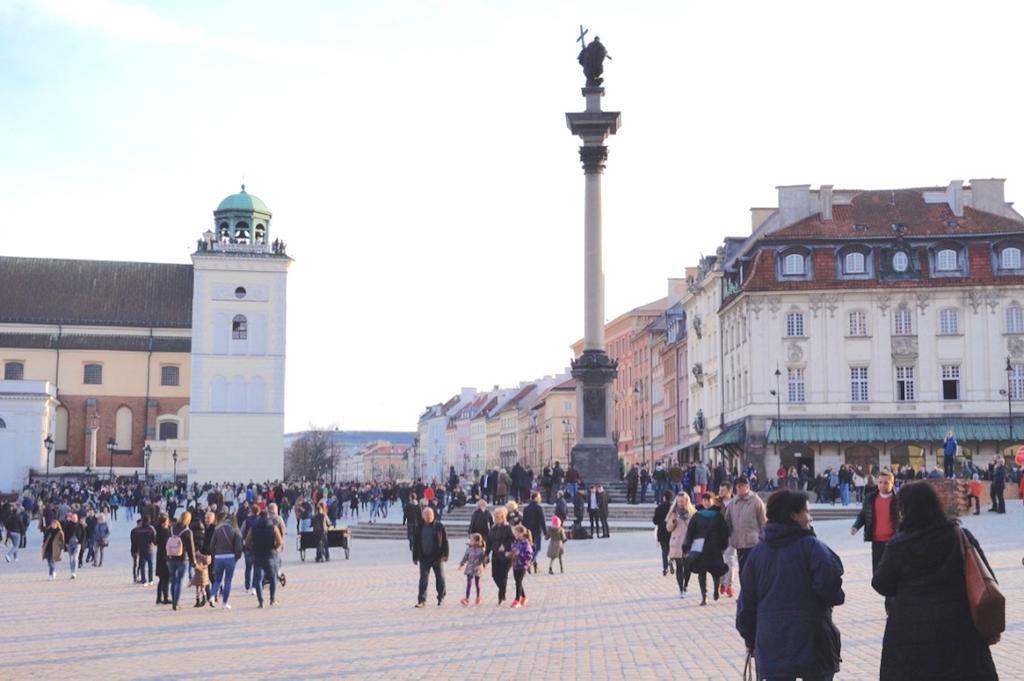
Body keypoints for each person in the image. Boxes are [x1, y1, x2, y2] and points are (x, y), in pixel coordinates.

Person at [872, 481, 998, 680]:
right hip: (960, 630)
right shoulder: (959, 536)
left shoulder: (899, 545)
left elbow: (881, 583)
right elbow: (987, 576)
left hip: (911, 633)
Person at [736, 489, 845, 681]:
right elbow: (831, 585)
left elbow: (746, 604)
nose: (809, 517)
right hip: (813, 638)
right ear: (794, 515)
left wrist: (750, 638)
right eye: (806, 512)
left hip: (771, 640)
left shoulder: (757, 554)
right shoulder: (812, 547)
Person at [850, 468, 901, 614]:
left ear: (892, 483)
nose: (883, 485)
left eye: (886, 483)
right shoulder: (870, 498)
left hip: (894, 543)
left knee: (892, 573)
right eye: (880, 482)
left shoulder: (898, 499)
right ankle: (890, 601)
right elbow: (863, 514)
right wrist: (856, 527)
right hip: (877, 543)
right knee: (879, 575)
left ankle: (892, 607)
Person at [682, 491, 729, 606]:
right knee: (701, 573)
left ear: (713, 501)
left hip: (714, 548)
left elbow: (724, 532)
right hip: (700, 549)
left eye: (708, 500)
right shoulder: (697, 516)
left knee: (716, 572)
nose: (706, 502)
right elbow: (690, 532)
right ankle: (704, 596)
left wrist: (723, 545)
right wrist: (687, 546)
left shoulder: (718, 516)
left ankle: (716, 590)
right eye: (704, 500)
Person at [724, 475, 767, 580]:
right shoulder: (733, 503)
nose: (739, 489)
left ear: (747, 487)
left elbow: (763, 521)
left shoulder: (756, 501)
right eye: (738, 487)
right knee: (743, 570)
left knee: (753, 570)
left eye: (742, 486)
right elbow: (727, 521)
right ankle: (745, 593)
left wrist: (764, 539)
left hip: (753, 542)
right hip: (739, 542)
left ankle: (754, 593)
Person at [412, 507, 449, 608]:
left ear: (433, 516)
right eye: (426, 515)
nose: (428, 517)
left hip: (437, 557)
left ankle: (441, 597)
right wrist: (415, 557)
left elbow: (445, 541)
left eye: (430, 515)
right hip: (424, 557)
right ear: (423, 516)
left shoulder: (439, 526)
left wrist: (445, 555)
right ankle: (422, 600)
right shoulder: (419, 527)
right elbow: (415, 543)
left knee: (440, 578)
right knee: (423, 579)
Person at [248, 509, 284, 608]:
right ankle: (272, 599)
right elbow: (280, 542)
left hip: (258, 555)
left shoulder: (254, 527)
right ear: (268, 517)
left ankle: (261, 601)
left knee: (258, 579)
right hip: (270, 555)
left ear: (259, 517)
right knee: (273, 578)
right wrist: (274, 548)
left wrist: (254, 548)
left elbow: (247, 542)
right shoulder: (273, 527)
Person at [208, 513, 244, 609]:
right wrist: (236, 557)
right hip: (230, 557)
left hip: (218, 557)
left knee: (217, 580)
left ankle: (212, 596)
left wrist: (215, 554)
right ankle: (225, 603)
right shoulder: (235, 530)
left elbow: (211, 546)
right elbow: (238, 547)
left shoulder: (217, 529)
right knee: (227, 580)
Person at [666, 493, 695, 598]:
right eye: (678, 501)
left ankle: (686, 584)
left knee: (688, 566)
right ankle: (681, 588)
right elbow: (668, 528)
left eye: (682, 501)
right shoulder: (673, 513)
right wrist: (673, 521)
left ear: (687, 501)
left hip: (688, 543)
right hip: (677, 543)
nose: (680, 504)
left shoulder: (692, 513)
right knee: (679, 566)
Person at [166, 511, 196, 611]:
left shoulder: (171, 529)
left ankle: (173, 600)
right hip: (183, 558)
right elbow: (191, 548)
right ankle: (176, 602)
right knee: (179, 580)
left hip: (171, 558)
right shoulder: (187, 531)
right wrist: (193, 561)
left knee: (173, 580)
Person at [485, 507, 514, 605]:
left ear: (502, 517)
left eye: (498, 517)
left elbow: (512, 540)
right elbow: (488, 542)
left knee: (503, 576)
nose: (496, 519)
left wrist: (505, 545)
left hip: (506, 556)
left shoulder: (507, 527)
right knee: (495, 576)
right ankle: (503, 590)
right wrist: (486, 555)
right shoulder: (492, 529)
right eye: (495, 517)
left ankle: (501, 596)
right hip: (495, 555)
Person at [457, 532, 487, 606]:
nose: (470, 541)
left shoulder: (482, 550)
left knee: (477, 584)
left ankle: (478, 597)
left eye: (472, 540)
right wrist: (461, 564)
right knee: (469, 584)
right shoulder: (469, 549)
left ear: (477, 541)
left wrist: (483, 564)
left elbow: (484, 559)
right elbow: (465, 557)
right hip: (470, 567)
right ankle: (466, 598)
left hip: (477, 568)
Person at [509, 524, 534, 608]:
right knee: (517, 581)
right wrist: (510, 553)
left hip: (523, 565)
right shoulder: (516, 541)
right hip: (515, 564)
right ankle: (524, 597)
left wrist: (520, 554)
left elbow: (529, 555)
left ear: (521, 533)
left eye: (516, 533)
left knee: (518, 582)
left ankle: (517, 600)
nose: (514, 534)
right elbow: (512, 548)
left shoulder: (526, 543)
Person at [522, 492, 545, 573]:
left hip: (528, 532)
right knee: (537, 548)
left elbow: (523, 521)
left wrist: (524, 532)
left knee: (531, 549)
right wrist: (545, 533)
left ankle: (535, 566)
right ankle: (530, 563)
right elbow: (542, 521)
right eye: (539, 497)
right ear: (535, 498)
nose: (540, 499)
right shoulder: (539, 508)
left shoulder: (526, 508)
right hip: (537, 531)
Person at [652, 490, 674, 576]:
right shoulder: (673, 508)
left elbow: (655, 521)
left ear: (664, 497)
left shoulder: (659, 507)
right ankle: (671, 561)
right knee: (672, 550)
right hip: (672, 532)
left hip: (662, 532)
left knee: (664, 551)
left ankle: (665, 568)